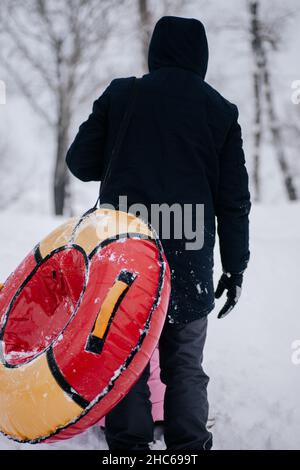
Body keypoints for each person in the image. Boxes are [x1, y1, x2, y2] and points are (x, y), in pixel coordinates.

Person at [66, 16, 251, 451]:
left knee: (124, 356)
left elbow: (80, 162)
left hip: (126, 252)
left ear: (156, 51)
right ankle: (188, 449)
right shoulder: (220, 111)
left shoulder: (122, 94)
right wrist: (236, 267)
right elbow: (234, 201)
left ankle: (128, 450)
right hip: (189, 254)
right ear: (200, 57)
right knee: (185, 362)